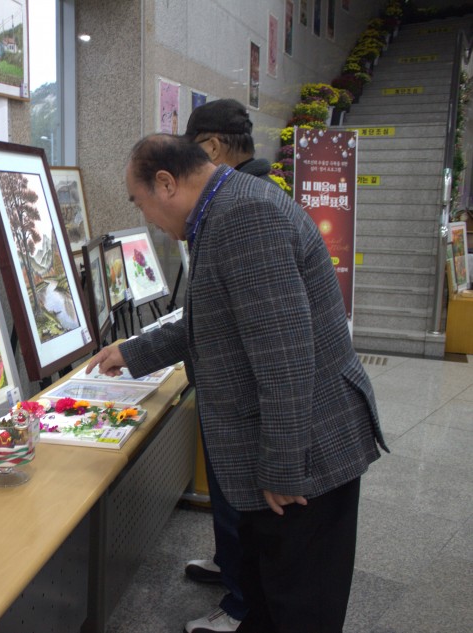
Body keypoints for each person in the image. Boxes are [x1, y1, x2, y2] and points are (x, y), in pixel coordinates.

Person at [86, 134, 387, 633]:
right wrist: (130, 352)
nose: (148, 220)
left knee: (300, 605)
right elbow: (212, 317)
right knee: (268, 592)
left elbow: (285, 356)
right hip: (288, 447)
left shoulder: (245, 217)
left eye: (139, 203)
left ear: (166, 183)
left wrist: (284, 468)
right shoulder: (224, 208)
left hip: (308, 457)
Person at [177, 98, 277, 633]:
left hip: (244, 402)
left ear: (212, 148)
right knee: (228, 499)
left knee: (241, 502)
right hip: (227, 396)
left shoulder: (242, 208)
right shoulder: (238, 196)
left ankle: (240, 604)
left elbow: (279, 347)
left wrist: (284, 461)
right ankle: (229, 566)